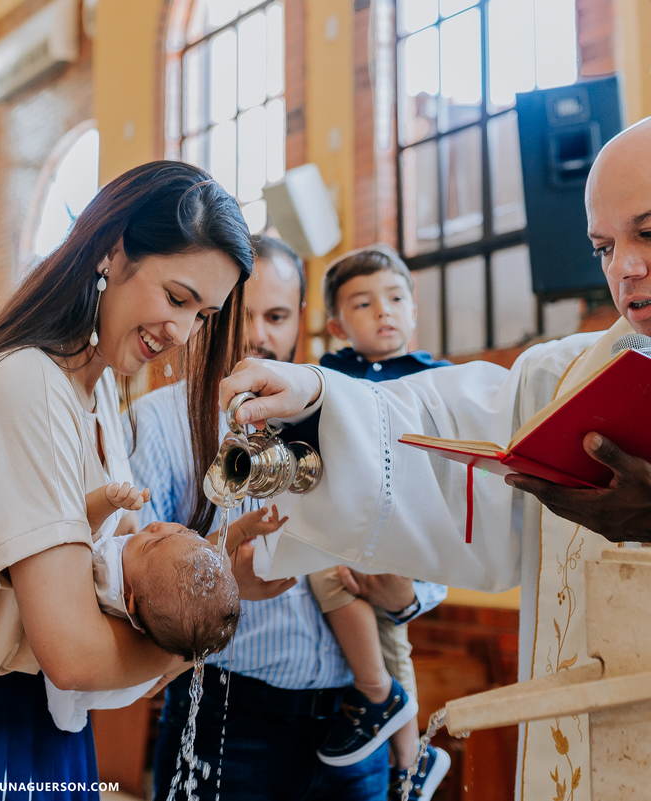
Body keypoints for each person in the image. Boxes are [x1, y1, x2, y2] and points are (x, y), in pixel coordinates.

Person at [216, 119, 651, 800]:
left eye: (648, 233)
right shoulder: (569, 380)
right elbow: (445, 430)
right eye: (603, 246)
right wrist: (318, 400)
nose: (625, 266)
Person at [0, 162, 256, 801]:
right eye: (177, 298)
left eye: (203, 315)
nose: (181, 333)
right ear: (114, 251)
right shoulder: (28, 387)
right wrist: (199, 638)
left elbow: (115, 573)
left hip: (42, 722)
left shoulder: (99, 390)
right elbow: (74, 652)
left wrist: (221, 574)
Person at [132, 234, 445, 801]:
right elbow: (129, 589)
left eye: (276, 316)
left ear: (301, 317)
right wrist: (220, 581)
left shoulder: (350, 411)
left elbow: (429, 532)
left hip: (356, 723)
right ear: (212, 315)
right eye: (241, 316)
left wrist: (406, 595)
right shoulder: (157, 423)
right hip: (230, 715)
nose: (258, 335)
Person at [309, 244, 450, 796]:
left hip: (404, 524)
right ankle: (408, 753)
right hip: (346, 518)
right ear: (337, 325)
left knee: (394, 636)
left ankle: (406, 750)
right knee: (339, 586)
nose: (383, 312)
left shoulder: (435, 378)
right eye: (363, 304)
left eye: (394, 299)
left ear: (413, 308)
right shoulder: (328, 376)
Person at [45, 512, 241, 733]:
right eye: (184, 531)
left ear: (129, 597)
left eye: (152, 543)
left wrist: (111, 507)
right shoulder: (159, 605)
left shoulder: (106, 575)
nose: (158, 527)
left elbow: (79, 529)